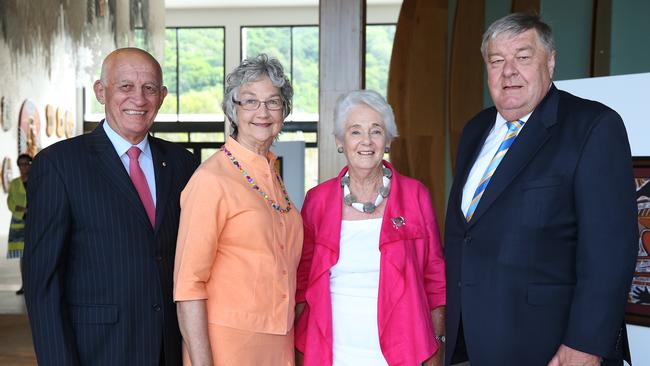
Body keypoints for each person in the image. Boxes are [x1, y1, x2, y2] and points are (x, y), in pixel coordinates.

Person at [444, 13, 638, 366]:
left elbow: (610, 251)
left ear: (550, 61)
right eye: (497, 60)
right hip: (475, 345)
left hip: (554, 348)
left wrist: (585, 343)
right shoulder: (475, 129)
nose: (509, 71)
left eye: (522, 56)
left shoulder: (593, 126)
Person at [23, 47, 198, 366]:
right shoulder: (59, 165)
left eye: (149, 88)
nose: (139, 99)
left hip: (170, 349)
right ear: (101, 91)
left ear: (162, 96)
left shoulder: (182, 163)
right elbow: (42, 284)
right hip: (97, 351)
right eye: (126, 86)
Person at [295, 90, 446, 366]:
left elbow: (435, 278)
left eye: (376, 131)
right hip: (332, 353)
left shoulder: (415, 196)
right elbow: (302, 284)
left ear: (388, 139)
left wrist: (437, 344)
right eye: (355, 132)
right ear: (340, 141)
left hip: (402, 352)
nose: (366, 141)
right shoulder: (317, 201)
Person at [174, 54, 303, 366]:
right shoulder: (211, 179)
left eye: (273, 102)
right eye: (250, 101)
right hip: (228, 347)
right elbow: (188, 286)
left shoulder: (271, 174)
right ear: (233, 110)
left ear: (283, 111)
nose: (262, 112)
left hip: (279, 344)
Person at [6, 153, 32, 295]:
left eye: (26, 163)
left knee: (34, 254)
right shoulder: (15, 183)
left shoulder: (36, 180)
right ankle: (24, 285)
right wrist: (22, 210)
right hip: (19, 221)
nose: (23, 167)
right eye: (21, 164)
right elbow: (10, 202)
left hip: (35, 220)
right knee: (23, 256)